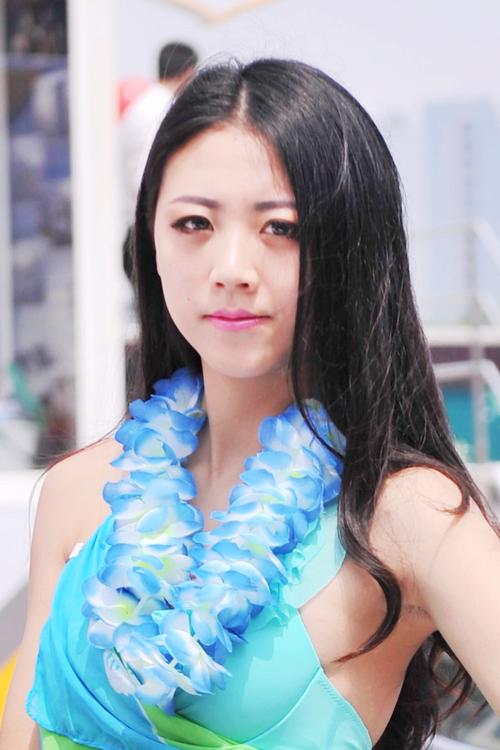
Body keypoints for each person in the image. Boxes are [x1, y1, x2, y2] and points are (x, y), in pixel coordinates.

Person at [1, 58, 499, 750]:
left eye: (280, 228)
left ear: (349, 248)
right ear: (150, 241)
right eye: (193, 223)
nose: (231, 269)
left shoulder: (404, 515)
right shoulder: (78, 491)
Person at [121, 41, 198, 280]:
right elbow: (148, 178)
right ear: (188, 73)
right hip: (150, 233)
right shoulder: (162, 111)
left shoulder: (141, 106)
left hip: (139, 229)